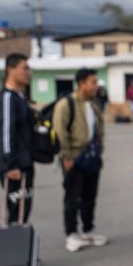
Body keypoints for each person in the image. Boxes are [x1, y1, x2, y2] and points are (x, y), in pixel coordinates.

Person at [54, 68, 109, 253]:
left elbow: (98, 129)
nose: (96, 86)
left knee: (90, 196)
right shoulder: (66, 104)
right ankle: (71, 234)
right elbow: (60, 132)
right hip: (74, 158)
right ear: (82, 83)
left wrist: (99, 151)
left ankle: (88, 230)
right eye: (93, 82)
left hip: (92, 158)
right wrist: (66, 156)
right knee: (72, 198)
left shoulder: (93, 104)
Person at [0, 53, 35, 224]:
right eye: (24, 68)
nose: (28, 72)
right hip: (15, 167)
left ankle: (21, 247)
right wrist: (10, 165)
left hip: (25, 163)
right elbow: (5, 134)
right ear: (11, 69)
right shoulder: (8, 98)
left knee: (24, 211)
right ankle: (14, 249)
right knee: (17, 212)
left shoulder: (21, 97)